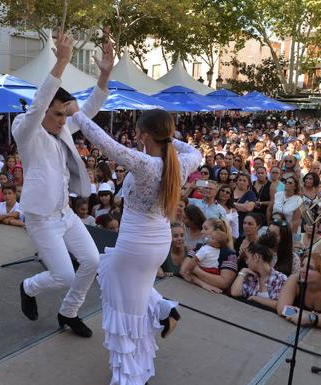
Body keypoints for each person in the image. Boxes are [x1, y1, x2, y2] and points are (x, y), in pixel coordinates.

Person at [73, 83, 202, 384]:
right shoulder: (181, 161)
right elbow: (193, 150)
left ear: (144, 135)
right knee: (129, 289)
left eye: (138, 132)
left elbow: (107, 145)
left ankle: (129, 377)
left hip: (136, 246)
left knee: (123, 310)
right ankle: (162, 312)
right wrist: (170, 140)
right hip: (156, 244)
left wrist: (78, 116)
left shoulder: (146, 165)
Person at [13, 33, 108, 338]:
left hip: (64, 213)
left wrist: (104, 74)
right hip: (40, 217)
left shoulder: (64, 127)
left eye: (66, 115)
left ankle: (69, 312)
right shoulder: (25, 129)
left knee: (92, 261)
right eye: (57, 114)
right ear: (43, 112)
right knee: (63, 274)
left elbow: (90, 108)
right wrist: (62, 62)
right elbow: (40, 104)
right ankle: (28, 287)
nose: (62, 121)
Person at [277, 253, 321, 330]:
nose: (302, 270)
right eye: (302, 266)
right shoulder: (295, 279)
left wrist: (311, 319)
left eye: (310, 268)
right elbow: (282, 309)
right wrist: (319, 317)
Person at [231, 241, 287, 309]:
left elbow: (278, 304)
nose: (246, 262)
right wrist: (242, 272)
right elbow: (235, 293)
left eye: (247, 258)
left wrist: (255, 298)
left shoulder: (280, 278)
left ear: (256, 257)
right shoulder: (250, 276)